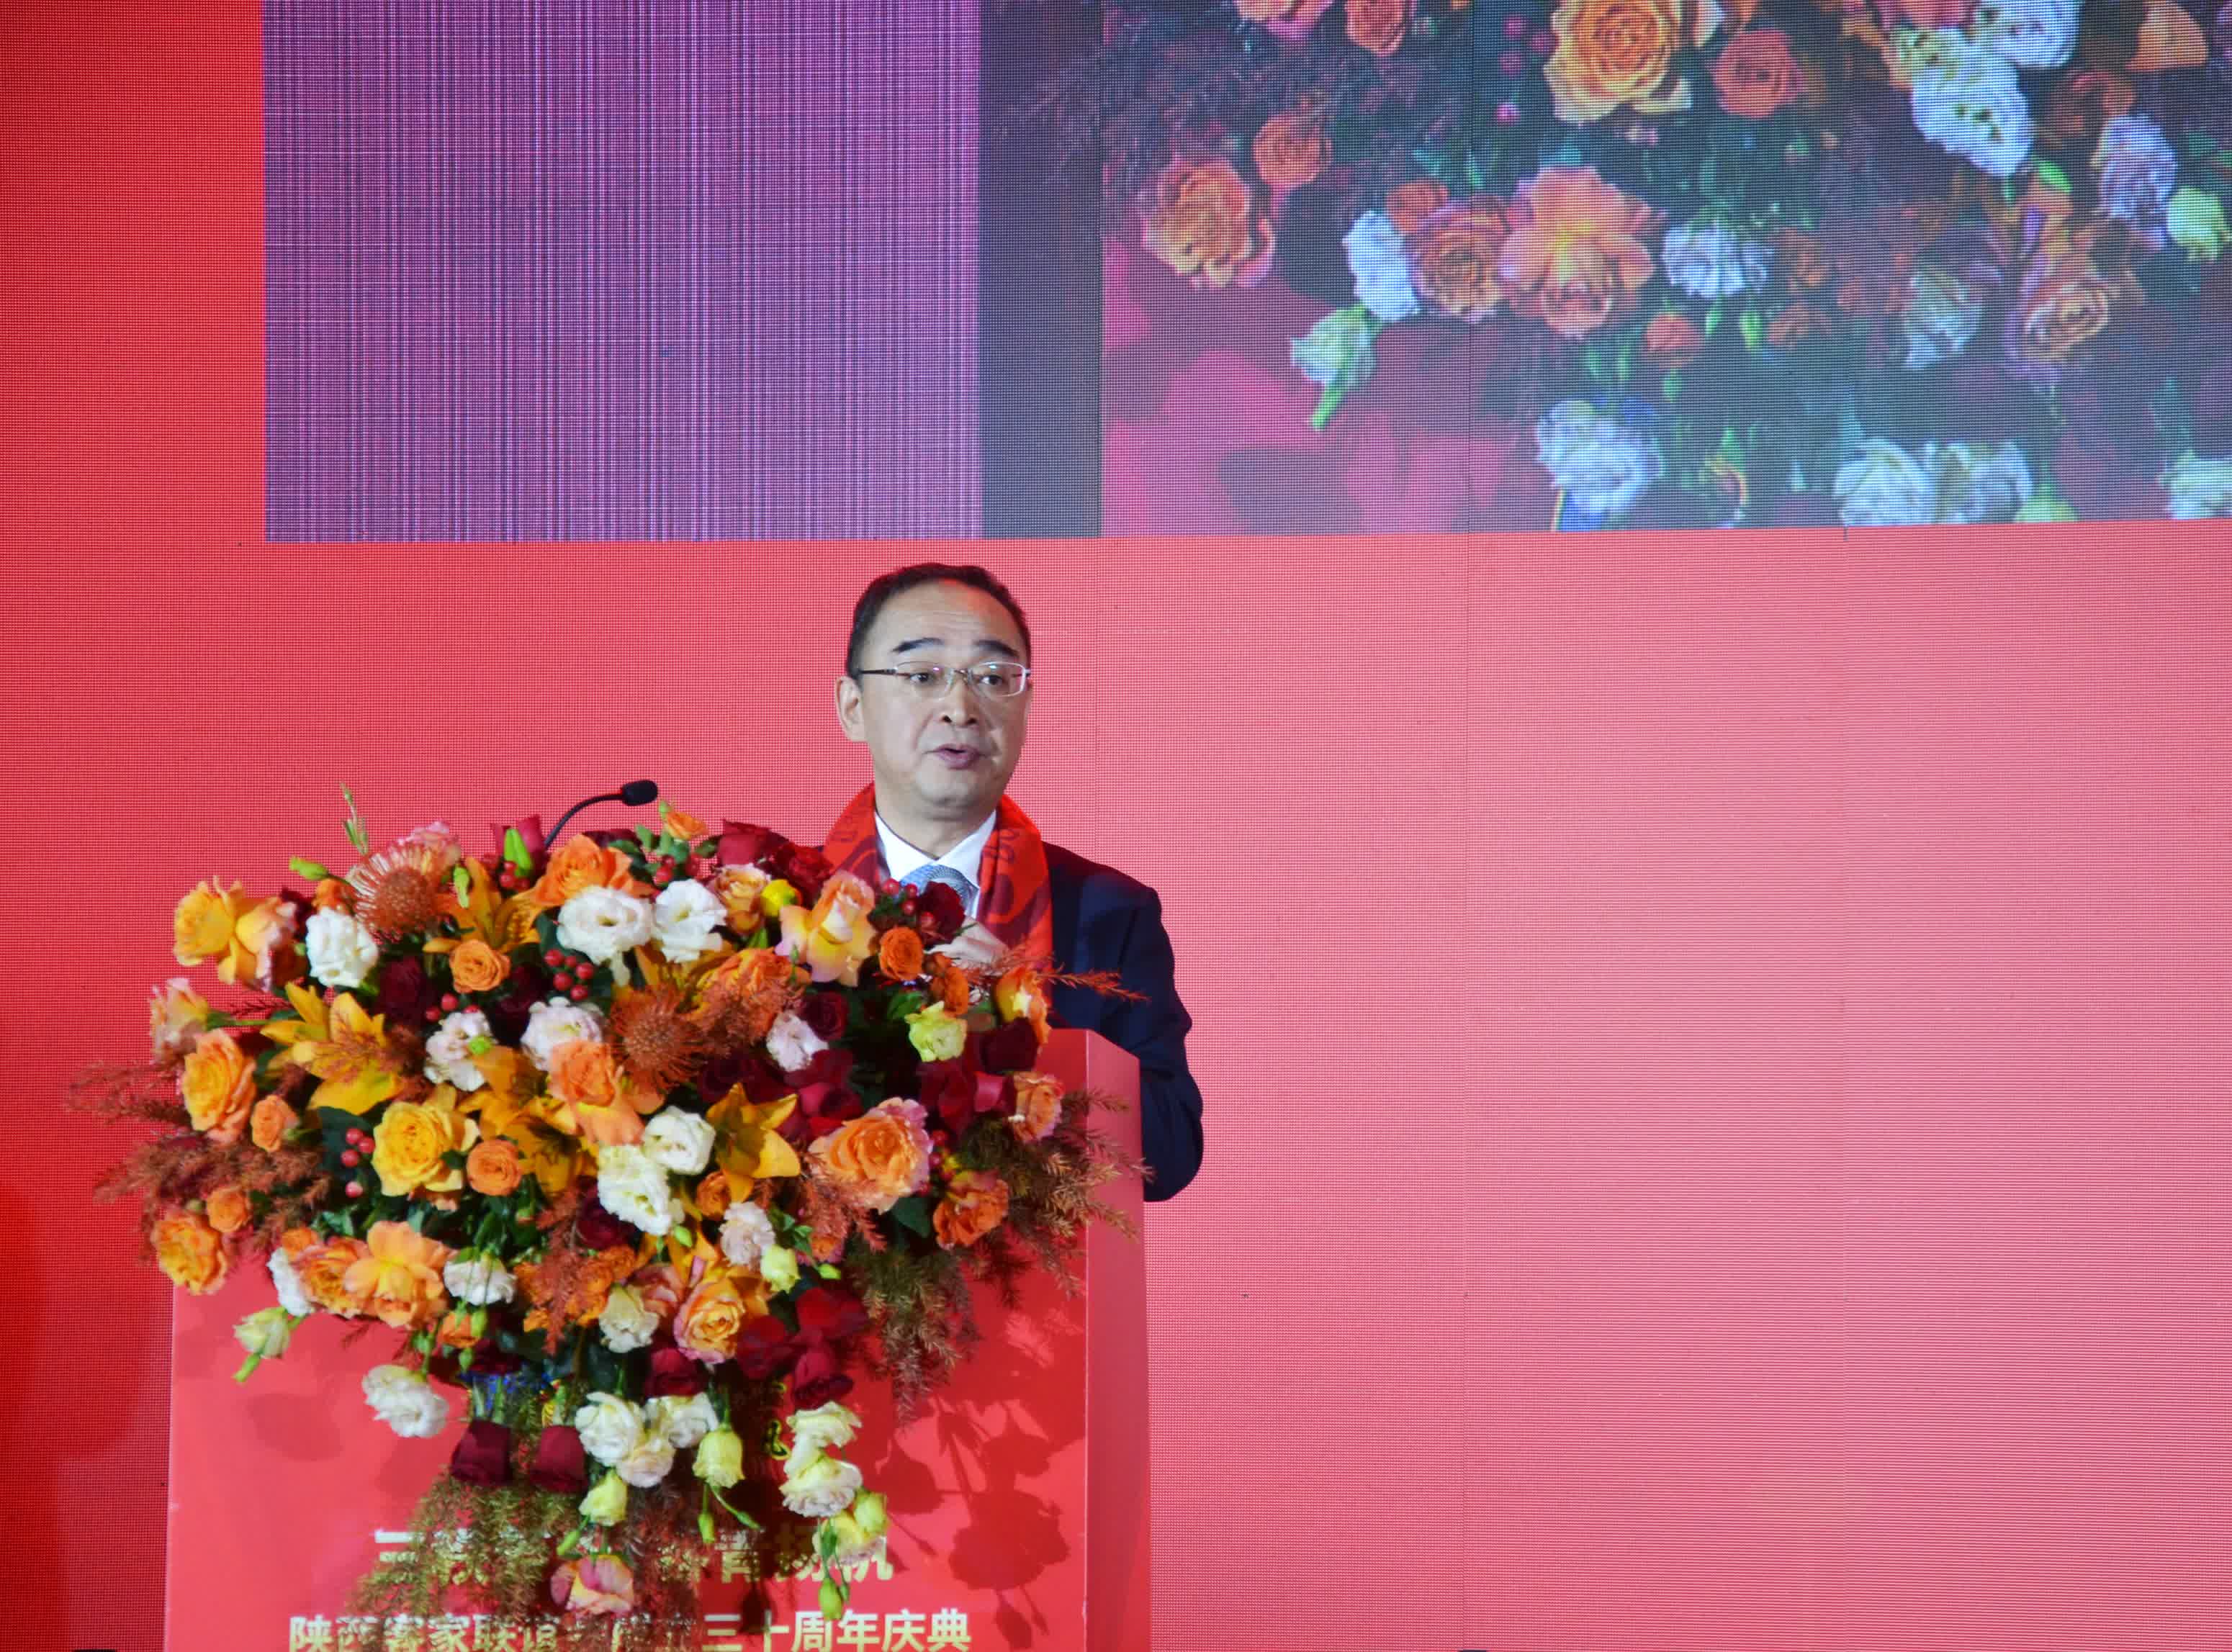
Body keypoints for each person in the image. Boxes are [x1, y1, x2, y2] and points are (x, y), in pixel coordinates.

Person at [826, 563, 1203, 1201]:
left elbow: (1170, 1156)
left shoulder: (1108, 914)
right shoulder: (780, 906)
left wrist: (1026, 1031)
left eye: (994, 678)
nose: (961, 708)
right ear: (853, 707)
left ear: (1025, 705)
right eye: (922, 676)